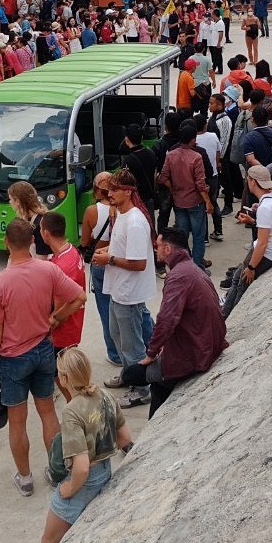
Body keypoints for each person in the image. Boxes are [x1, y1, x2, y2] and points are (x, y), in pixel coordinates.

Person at [1, 347, 133, 543]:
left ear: (64, 378)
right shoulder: (105, 396)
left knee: (48, 542)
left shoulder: (73, 412)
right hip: (105, 471)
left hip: (83, 483)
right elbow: (125, 437)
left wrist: (68, 489)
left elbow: (81, 466)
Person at [0, 218, 86, 497]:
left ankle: (25, 477)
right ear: (32, 241)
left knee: (17, 421)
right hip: (44, 349)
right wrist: (55, 319)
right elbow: (79, 296)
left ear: (6, 242)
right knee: (47, 412)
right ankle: (56, 471)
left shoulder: (0, 283)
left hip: (13, 357)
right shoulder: (48, 270)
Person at [121, 228, 227, 417]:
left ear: (168, 249)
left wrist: (152, 352)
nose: (156, 250)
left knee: (131, 375)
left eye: (158, 247)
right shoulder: (192, 268)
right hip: (207, 343)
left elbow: (166, 319)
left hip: (194, 354)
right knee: (157, 387)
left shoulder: (178, 276)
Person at [92, 169, 156, 408]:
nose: (109, 193)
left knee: (132, 344)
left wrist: (108, 259)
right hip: (118, 289)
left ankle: (141, 388)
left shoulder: (135, 223)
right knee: (118, 337)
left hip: (129, 293)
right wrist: (108, 253)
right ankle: (128, 376)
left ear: (128, 192)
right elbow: (124, 251)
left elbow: (139, 263)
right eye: (108, 189)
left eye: (114, 189)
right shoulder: (122, 215)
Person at [221, 165, 272, 318]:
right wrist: (254, 221)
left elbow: (262, 244)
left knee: (241, 284)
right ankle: (224, 313)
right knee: (236, 278)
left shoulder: (265, 207)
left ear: (253, 182)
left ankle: (228, 317)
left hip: (269, 254)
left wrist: (252, 267)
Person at [40, 212, 86, 400]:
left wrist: (49, 326)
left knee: (61, 375)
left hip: (63, 333)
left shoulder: (60, 267)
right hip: (74, 326)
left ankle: (75, 405)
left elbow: (60, 311)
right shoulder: (71, 251)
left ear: (46, 234)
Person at [158, 121, 213, 269]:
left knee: (182, 238)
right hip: (195, 201)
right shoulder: (196, 157)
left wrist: (173, 188)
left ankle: (183, 265)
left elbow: (163, 177)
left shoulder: (171, 155)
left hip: (178, 201)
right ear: (193, 139)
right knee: (198, 236)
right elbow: (200, 184)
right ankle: (198, 267)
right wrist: (208, 201)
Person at [80, 172, 121, 365]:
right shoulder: (122, 208)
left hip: (99, 262)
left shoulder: (91, 211)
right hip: (118, 260)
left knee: (106, 311)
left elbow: (85, 241)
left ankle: (114, 353)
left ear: (97, 189)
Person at [7, 180, 51, 258]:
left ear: (17, 201)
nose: (9, 202)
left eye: (10, 199)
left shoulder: (40, 224)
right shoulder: (22, 218)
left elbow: (42, 259)